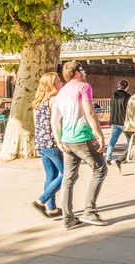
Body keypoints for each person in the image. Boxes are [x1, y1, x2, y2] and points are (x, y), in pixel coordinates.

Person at [51, 61, 108, 230]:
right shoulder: (84, 87)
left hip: (67, 139)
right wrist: (100, 136)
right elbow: (90, 112)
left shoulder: (60, 93)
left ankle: (68, 219)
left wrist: (59, 140)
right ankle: (89, 211)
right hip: (83, 137)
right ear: (76, 73)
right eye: (82, 70)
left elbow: (55, 121)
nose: (84, 73)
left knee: (68, 178)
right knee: (100, 169)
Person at [31, 72, 64, 218]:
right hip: (52, 142)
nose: (61, 82)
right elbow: (58, 122)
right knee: (67, 174)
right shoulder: (54, 99)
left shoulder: (37, 102)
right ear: (51, 84)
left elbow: (36, 125)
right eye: (58, 80)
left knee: (51, 175)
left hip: (40, 142)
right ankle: (41, 200)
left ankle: (52, 208)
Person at [106, 80, 131, 165]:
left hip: (114, 121)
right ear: (126, 87)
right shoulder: (128, 96)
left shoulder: (113, 94)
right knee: (129, 140)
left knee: (112, 141)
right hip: (124, 122)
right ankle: (126, 157)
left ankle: (108, 157)